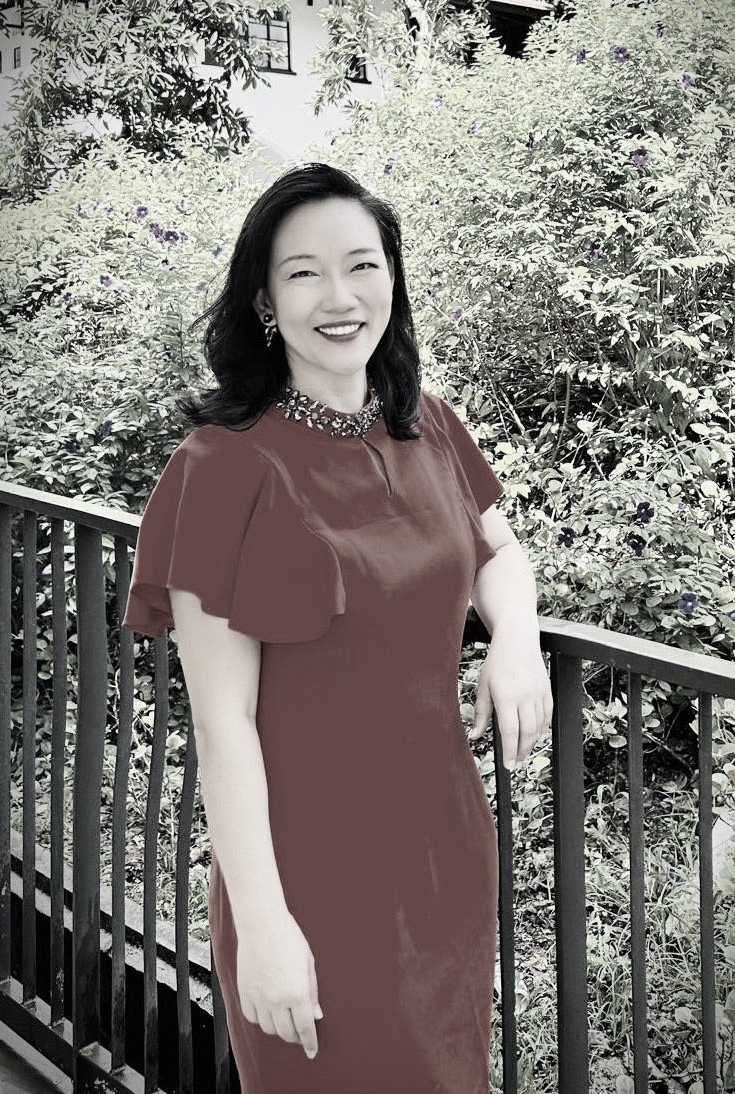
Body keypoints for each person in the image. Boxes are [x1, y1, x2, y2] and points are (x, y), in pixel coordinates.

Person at [121, 162, 552, 1094]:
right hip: (306, 875)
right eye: (304, 273)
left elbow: (499, 551)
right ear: (265, 299)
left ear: (392, 278)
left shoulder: (428, 425)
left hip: (443, 849)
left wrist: (516, 637)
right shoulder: (221, 467)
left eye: (362, 265)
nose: (341, 296)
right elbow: (222, 723)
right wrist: (264, 925)